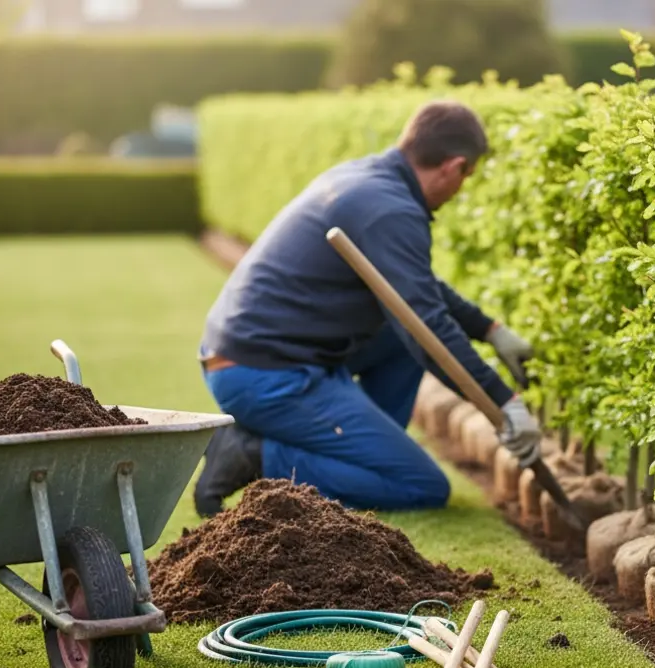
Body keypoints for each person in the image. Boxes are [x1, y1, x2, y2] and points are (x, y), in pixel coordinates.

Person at [192, 99, 542, 516]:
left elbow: (418, 290)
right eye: (466, 175)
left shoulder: (368, 181)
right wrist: (504, 404)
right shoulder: (390, 210)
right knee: (419, 484)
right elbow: (427, 329)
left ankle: (364, 454)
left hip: (266, 357)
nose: (461, 187)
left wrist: (490, 330)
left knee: (401, 337)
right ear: (452, 166)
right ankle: (252, 454)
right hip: (265, 376)